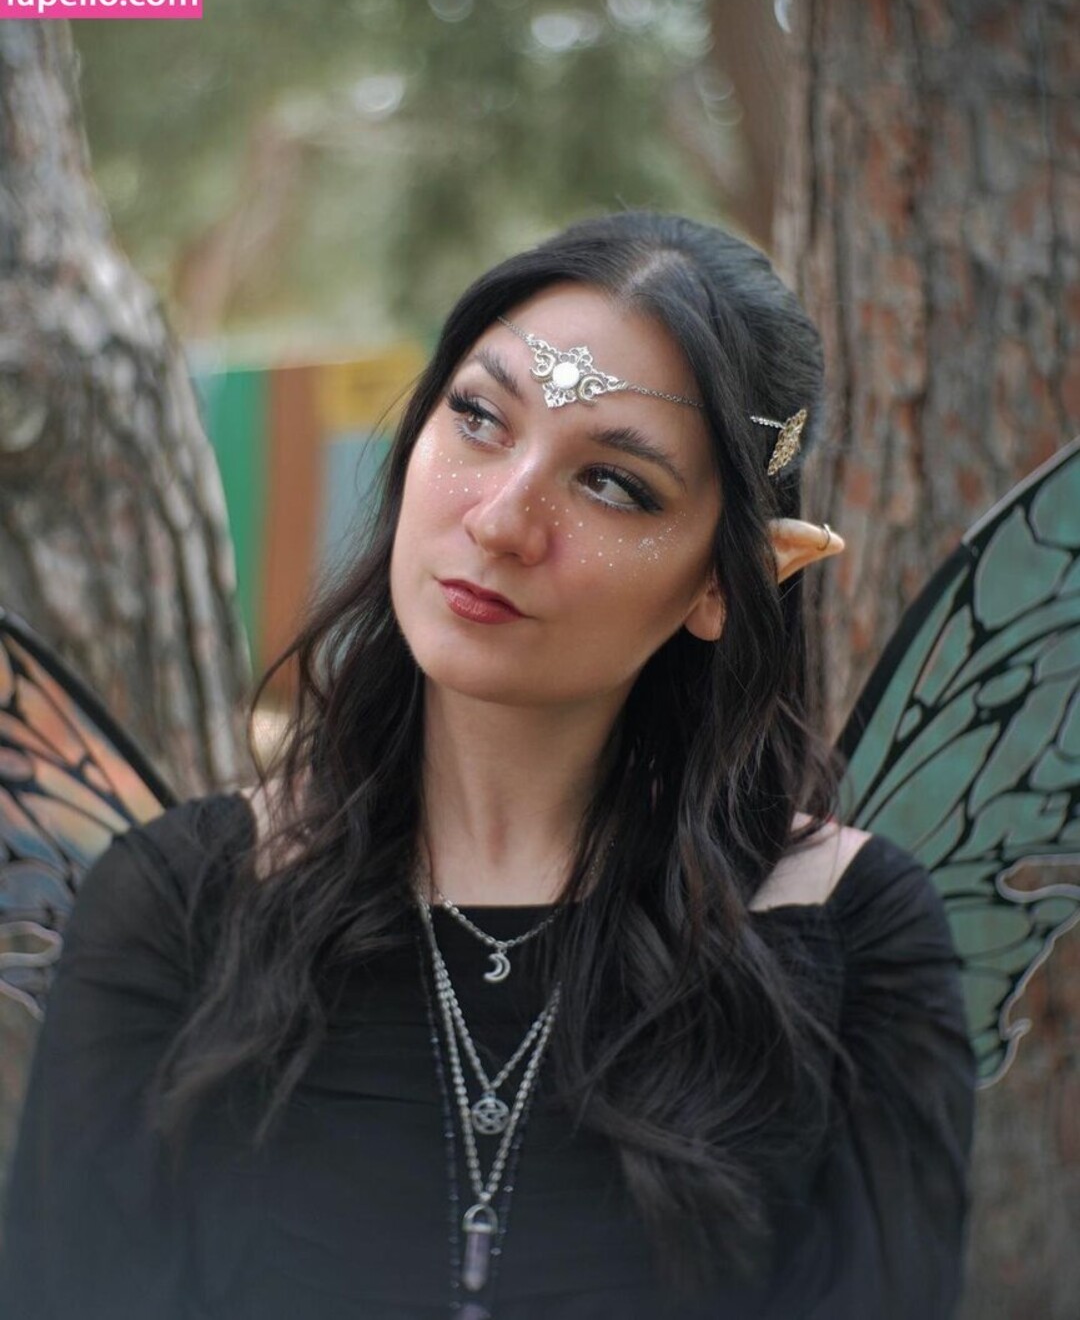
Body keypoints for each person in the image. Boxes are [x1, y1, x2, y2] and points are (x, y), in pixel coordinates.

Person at [0, 212, 976, 1319]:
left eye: (614, 484)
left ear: (725, 579)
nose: (504, 518)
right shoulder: (175, 907)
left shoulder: (852, 937)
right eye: (477, 418)